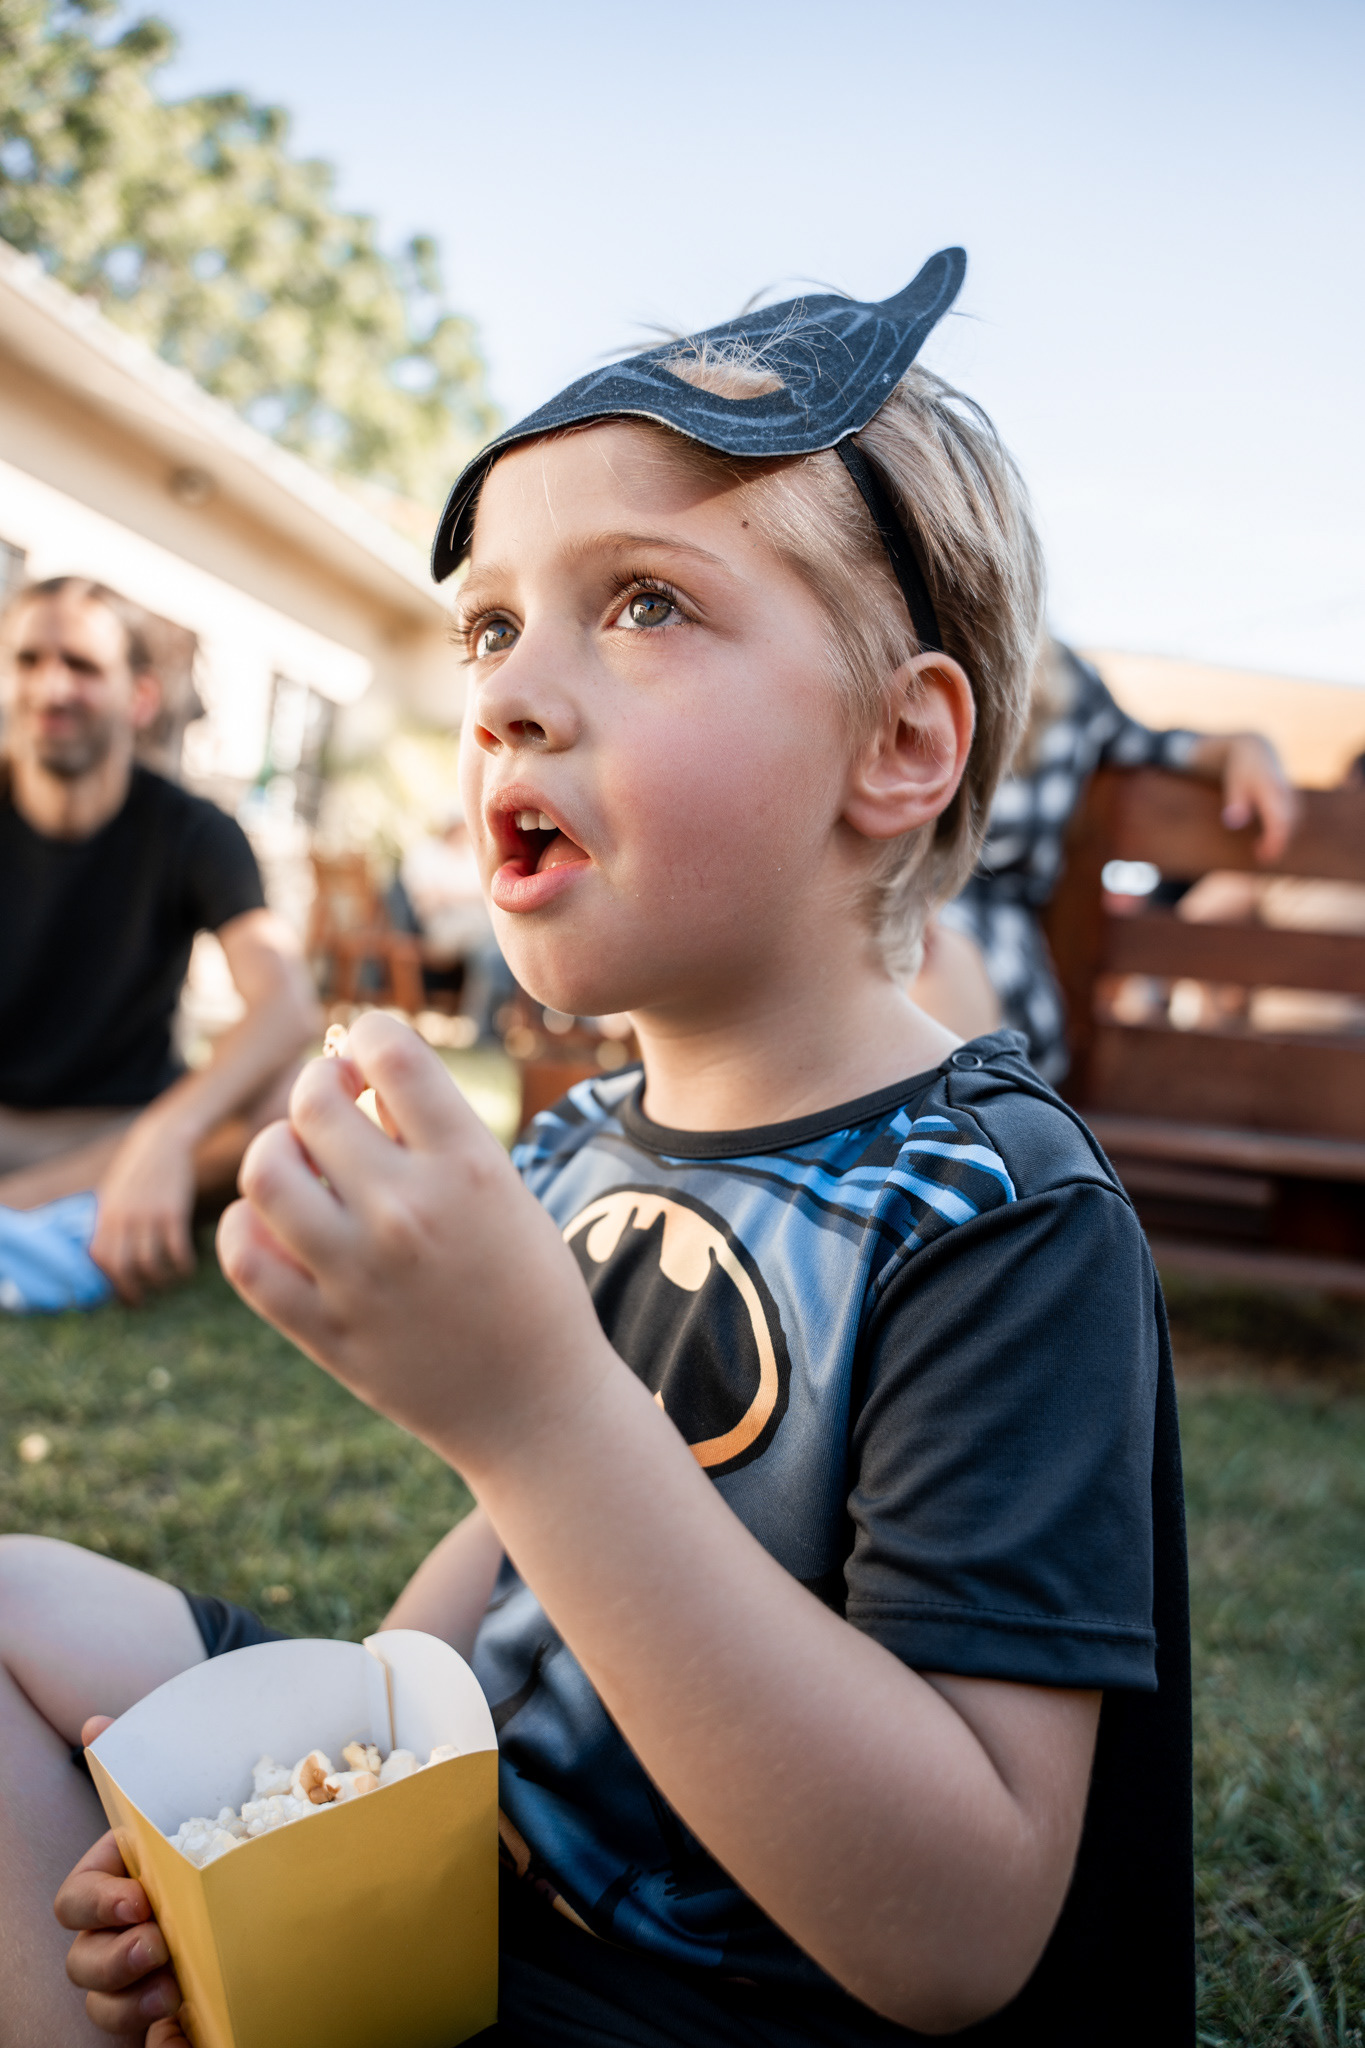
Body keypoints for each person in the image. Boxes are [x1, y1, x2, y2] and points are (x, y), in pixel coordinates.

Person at [4, 252, 1192, 2046]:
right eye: (491, 625)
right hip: (471, 1863)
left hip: (697, 1987)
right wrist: (302, 1808)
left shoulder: (995, 1213)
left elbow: (957, 1927)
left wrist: (540, 1408)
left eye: (641, 603)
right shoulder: (574, 1145)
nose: (507, 694)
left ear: (903, 741)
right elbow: (484, 1583)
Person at [0, 578, 318, 1305]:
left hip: (124, 1125)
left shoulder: (194, 833)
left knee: (291, 1097)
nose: (52, 686)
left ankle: (30, 1216)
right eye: (27, 660)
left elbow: (287, 1006)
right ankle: (53, 1223)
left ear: (138, 697)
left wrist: (165, 1138)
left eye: (81, 666)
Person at [909, 638, 1298, 1078]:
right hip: (873, 927)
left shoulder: (1070, 687)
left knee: (926, 960)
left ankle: (946, 1133)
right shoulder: (873, 639)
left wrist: (1243, 746)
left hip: (988, 949)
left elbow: (1161, 748)